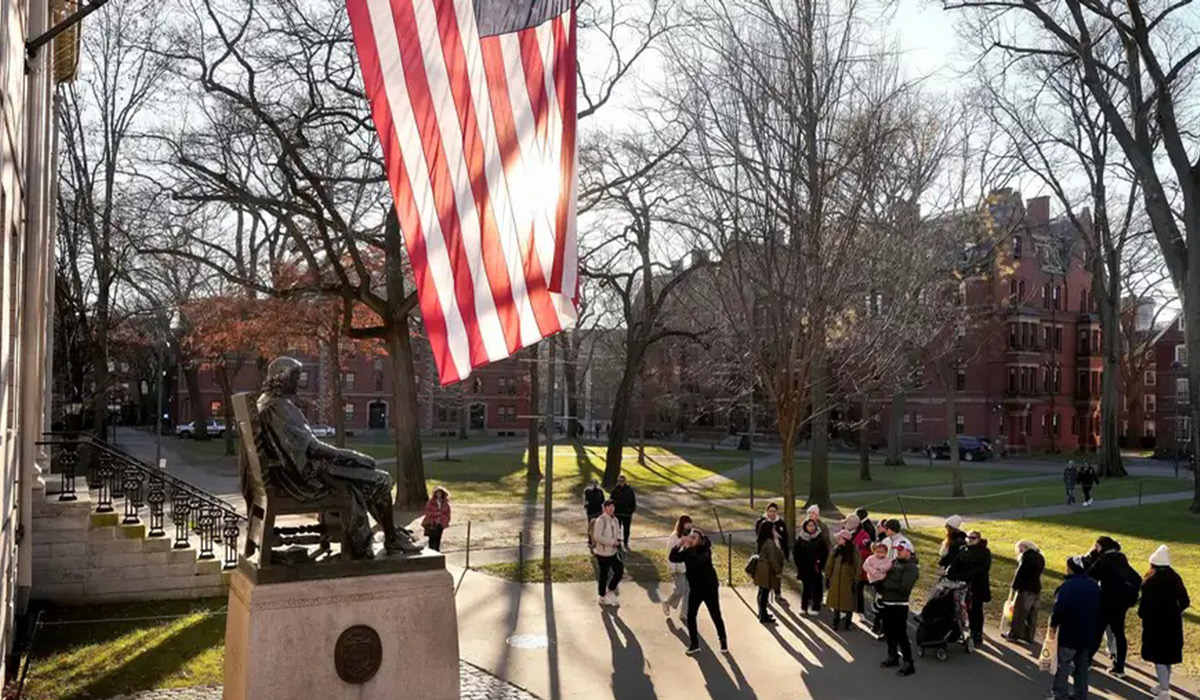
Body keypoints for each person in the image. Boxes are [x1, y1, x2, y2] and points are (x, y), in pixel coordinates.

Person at [251, 356, 422, 558]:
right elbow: (313, 447)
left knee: (371, 479)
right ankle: (389, 539)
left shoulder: (265, 402)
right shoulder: (280, 407)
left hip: (288, 476)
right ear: (283, 378)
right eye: (296, 377)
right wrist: (354, 457)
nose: (298, 382)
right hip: (304, 479)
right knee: (381, 480)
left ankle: (392, 536)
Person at [1138, 546, 1190, 700]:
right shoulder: (1175, 578)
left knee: (1158, 657)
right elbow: (1185, 601)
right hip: (1172, 623)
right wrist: (1175, 612)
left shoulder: (1149, 582)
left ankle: (1165, 691)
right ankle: (1163, 685)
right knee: (1168, 656)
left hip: (1154, 624)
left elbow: (1144, 607)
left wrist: (1143, 615)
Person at [1084, 535, 1138, 677]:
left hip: (1107, 601)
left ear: (1102, 546)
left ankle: (1087, 660)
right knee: (1119, 634)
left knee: (1097, 631)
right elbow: (1135, 577)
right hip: (1121, 603)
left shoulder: (1104, 560)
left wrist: (1091, 557)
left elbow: (1090, 575)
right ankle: (1119, 667)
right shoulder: (1121, 558)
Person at [669, 528, 729, 655]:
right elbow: (673, 558)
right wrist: (679, 544)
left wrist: (687, 548)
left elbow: (698, 560)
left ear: (700, 540)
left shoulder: (706, 550)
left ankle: (723, 641)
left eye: (694, 538)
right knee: (691, 615)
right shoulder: (688, 551)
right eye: (690, 537)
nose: (691, 539)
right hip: (695, 589)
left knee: (715, 614)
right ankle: (694, 644)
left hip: (709, 588)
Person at [1050, 556, 1102, 700]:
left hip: (1069, 632)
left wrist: (1053, 624)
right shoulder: (1094, 586)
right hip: (1087, 632)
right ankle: (1080, 694)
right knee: (1081, 666)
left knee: (1063, 665)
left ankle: (1060, 694)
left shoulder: (1067, 586)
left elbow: (1060, 609)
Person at [878, 541, 920, 677]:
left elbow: (904, 587)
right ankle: (893, 656)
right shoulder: (894, 562)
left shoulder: (911, 567)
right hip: (887, 602)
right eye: (897, 549)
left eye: (901, 550)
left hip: (899, 604)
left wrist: (886, 585)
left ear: (908, 551)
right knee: (888, 631)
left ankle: (908, 663)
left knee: (900, 633)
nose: (898, 552)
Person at [1006, 540, 1045, 643]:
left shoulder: (1026, 557)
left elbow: (1020, 573)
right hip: (1036, 588)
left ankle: (1014, 634)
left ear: (1024, 547)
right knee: (1032, 614)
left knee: (1019, 613)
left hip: (1025, 588)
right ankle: (1029, 636)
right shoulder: (1040, 557)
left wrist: (1014, 586)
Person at [825, 529, 863, 631]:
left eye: (839, 538)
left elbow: (858, 565)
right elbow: (830, 563)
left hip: (848, 581)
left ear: (845, 539)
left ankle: (848, 622)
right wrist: (828, 576)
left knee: (848, 602)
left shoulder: (854, 551)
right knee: (836, 602)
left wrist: (856, 579)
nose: (837, 540)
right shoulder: (836, 550)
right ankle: (835, 621)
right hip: (836, 580)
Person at [959, 530, 993, 645]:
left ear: (978, 539)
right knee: (963, 608)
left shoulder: (984, 552)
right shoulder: (963, 549)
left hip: (977, 586)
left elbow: (983, 568)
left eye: (973, 538)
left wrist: (968, 573)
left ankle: (977, 632)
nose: (970, 540)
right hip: (963, 584)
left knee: (976, 610)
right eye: (968, 537)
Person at [754, 503, 790, 603]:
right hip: (766, 553)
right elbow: (760, 537)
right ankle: (762, 597)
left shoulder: (780, 523)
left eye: (774, 511)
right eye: (770, 511)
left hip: (778, 551)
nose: (772, 513)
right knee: (765, 576)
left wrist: (785, 552)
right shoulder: (762, 522)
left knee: (777, 574)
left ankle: (778, 593)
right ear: (767, 512)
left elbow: (785, 538)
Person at [592, 499, 625, 607]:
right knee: (604, 575)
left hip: (613, 552)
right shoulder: (600, 520)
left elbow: (618, 532)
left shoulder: (615, 519)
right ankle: (602, 596)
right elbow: (597, 536)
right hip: (602, 553)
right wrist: (611, 542)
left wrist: (618, 541)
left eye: (613, 507)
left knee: (619, 570)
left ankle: (610, 591)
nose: (611, 509)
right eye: (609, 506)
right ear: (604, 508)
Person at [793, 518, 828, 615]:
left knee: (816, 587)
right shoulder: (801, 538)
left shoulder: (820, 538)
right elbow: (796, 553)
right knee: (806, 587)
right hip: (804, 568)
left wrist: (820, 564)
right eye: (809, 526)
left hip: (816, 568)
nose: (811, 528)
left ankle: (816, 606)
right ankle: (803, 606)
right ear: (805, 527)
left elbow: (824, 553)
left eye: (813, 525)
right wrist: (800, 565)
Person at [754, 520, 785, 624]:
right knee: (764, 593)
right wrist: (777, 571)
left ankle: (761, 613)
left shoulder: (761, 540)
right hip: (766, 570)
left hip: (762, 568)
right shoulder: (769, 542)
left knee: (761, 592)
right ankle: (763, 615)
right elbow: (773, 558)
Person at [663, 515, 692, 623]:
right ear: (682, 524)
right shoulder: (674, 537)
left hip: (687, 567)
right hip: (677, 568)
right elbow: (670, 553)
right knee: (680, 590)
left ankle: (684, 613)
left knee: (688, 590)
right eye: (687, 524)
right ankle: (667, 603)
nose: (689, 526)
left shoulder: (690, 535)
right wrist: (672, 568)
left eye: (690, 524)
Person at [420, 486, 451, 551]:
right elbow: (427, 511)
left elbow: (448, 512)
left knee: (438, 538)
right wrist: (437, 514)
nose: (439, 494)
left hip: (441, 522)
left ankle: (437, 550)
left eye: (440, 493)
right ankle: (430, 551)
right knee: (432, 538)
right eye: (437, 493)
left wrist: (445, 519)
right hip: (432, 523)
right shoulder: (431, 502)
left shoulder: (445, 503)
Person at [610, 474, 637, 548]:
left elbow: (633, 501)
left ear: (625, 481)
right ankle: (617, 541)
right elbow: (611, 501)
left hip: (627, 513)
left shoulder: (629, 490)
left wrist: (631, 510)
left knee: (626, 529)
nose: (621, 482)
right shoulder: (614, 490)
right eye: (620, 481)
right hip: (617, 513)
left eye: (622, 481)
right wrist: (612, 511)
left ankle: (626, 541)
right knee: (617, 528)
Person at [583, 480, 605, 548]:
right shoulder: (587, 491)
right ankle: (591, 541)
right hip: (591, 512)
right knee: (591, 527)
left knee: (599, 527)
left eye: (596, 483)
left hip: (598, 511)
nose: (594, 485)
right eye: (593, 483)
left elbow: (602, 500)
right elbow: (586, 500)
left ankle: (599, 541)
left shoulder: (600, 491)